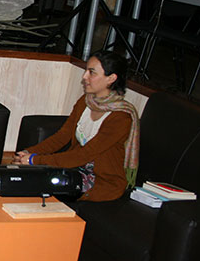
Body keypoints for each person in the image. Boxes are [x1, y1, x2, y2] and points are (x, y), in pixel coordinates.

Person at [13, 50, 140, 202]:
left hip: (100, 179)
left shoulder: (121, 117)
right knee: (22, 179)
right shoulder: (85, 102)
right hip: (74, 168)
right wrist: (28, 153)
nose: (84, 77)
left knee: (37, 183)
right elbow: (62, 137)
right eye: (86, 71)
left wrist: (35, 160)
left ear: (111, 78)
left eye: (92, 72)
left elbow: (84, 155)